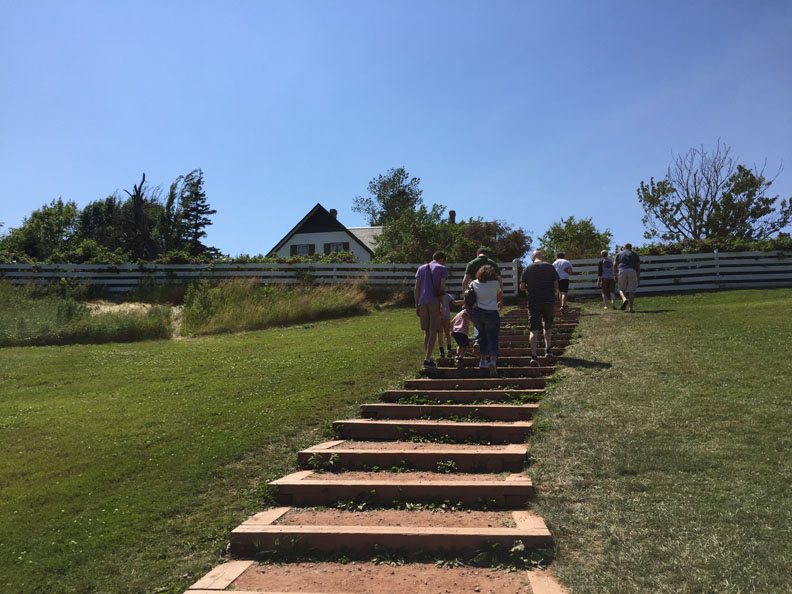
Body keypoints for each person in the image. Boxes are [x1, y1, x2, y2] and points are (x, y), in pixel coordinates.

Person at [519, 250, 559, 366]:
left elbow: (522, 287)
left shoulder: (527, 268)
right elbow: (556, 285)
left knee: (534, 329)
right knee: (547, 325)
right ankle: (548, 350)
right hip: (548, 300)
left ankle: (534, 356)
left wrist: (530, 287)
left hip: (534, 301)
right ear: (542, 256)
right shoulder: (550, 267)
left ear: (532, 258)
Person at [414, 251, 448, 368]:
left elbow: (416, 288)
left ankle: (427, 357)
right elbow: (442, 288)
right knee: (433, 330)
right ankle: (427, 359)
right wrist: (443, 305)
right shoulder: (442, 269)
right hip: (435, 301)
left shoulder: (421, 268)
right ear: (442, 259)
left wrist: (416, 305)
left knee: (427, 331)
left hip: (422, 301)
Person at [469, 265, 503, 377]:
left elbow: (468, 294)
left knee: (482, 335)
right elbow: (499, 294)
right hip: (492, 312)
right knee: (493, 337)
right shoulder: (495, 283)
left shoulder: (474, 283)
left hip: (478, 312)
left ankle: (482, 361)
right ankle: (492, 361)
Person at [613, 243, 641, 313]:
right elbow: (638, 266)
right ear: (631, 247)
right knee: (632, 291)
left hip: (622, 270)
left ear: (624, 247)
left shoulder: (619, 254)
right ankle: (630, 308)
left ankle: (624, 299)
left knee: (621, 289)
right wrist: (638, 277)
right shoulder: (635, 254)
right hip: (632, 271)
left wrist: (615, 275)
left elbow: (614, 264)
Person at [450, 304, 473, 368]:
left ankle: (457, 355)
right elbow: (465, 316)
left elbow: (452, 322)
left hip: (455, 331)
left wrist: (451, 330)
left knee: (460, 345)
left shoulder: (458, 314)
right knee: (465, 347)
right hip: (462, 332)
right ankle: (460, 359)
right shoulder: (465, 312)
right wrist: (473, 321)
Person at [438, 292, 455, 359]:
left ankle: (444, 352)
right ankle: (447, 351)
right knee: (446, 334)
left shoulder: (437, 295)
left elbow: (454, 302)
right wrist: (465, 301)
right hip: (445, 317)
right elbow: (455, 302)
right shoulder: (447, 295)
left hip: (439, 318)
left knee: (441, 335)